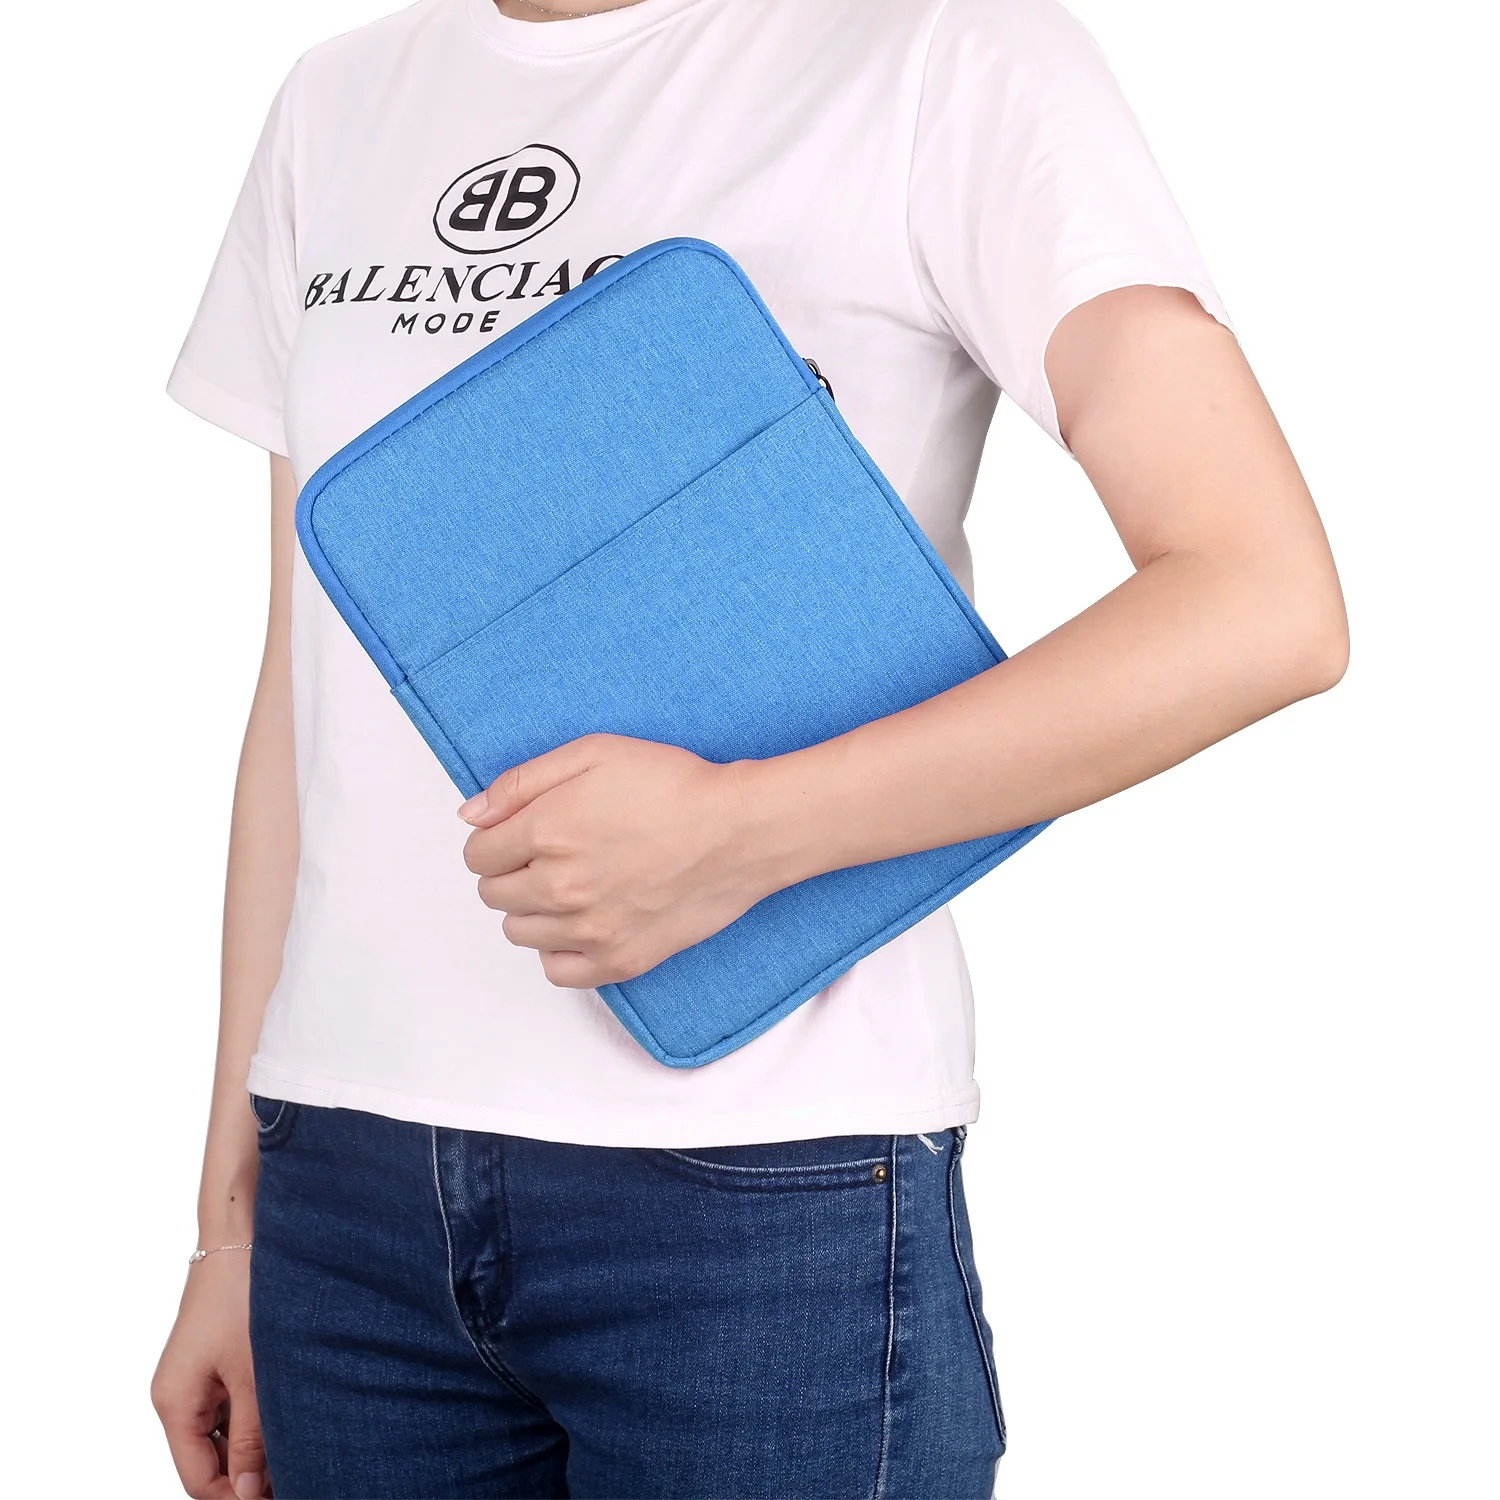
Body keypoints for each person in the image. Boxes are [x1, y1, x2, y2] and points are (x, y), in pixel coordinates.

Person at [150, 0, 1348, 1495]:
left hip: (764, 1192)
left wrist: (745, 831)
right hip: (347, 1209)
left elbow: (1262, 601)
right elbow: (306, 699)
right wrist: (229, 1227)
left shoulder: (940, 54)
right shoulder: (336, 103)